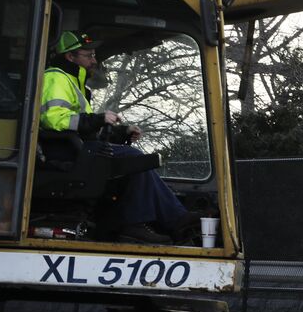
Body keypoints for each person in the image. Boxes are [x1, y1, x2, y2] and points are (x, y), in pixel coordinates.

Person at [39, 31, 198, 244]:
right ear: (70, 57)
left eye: (94, 55)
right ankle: (148, 223)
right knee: (134, 160)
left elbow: (86, 130)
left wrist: (119, 133)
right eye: (89, 55)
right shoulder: (56, 78)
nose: (94, 60)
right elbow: (53, 119)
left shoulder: (74, 82)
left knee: (136, 161)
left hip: (80, 148)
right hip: (63, 152)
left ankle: (174, 219)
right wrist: (97, 119)